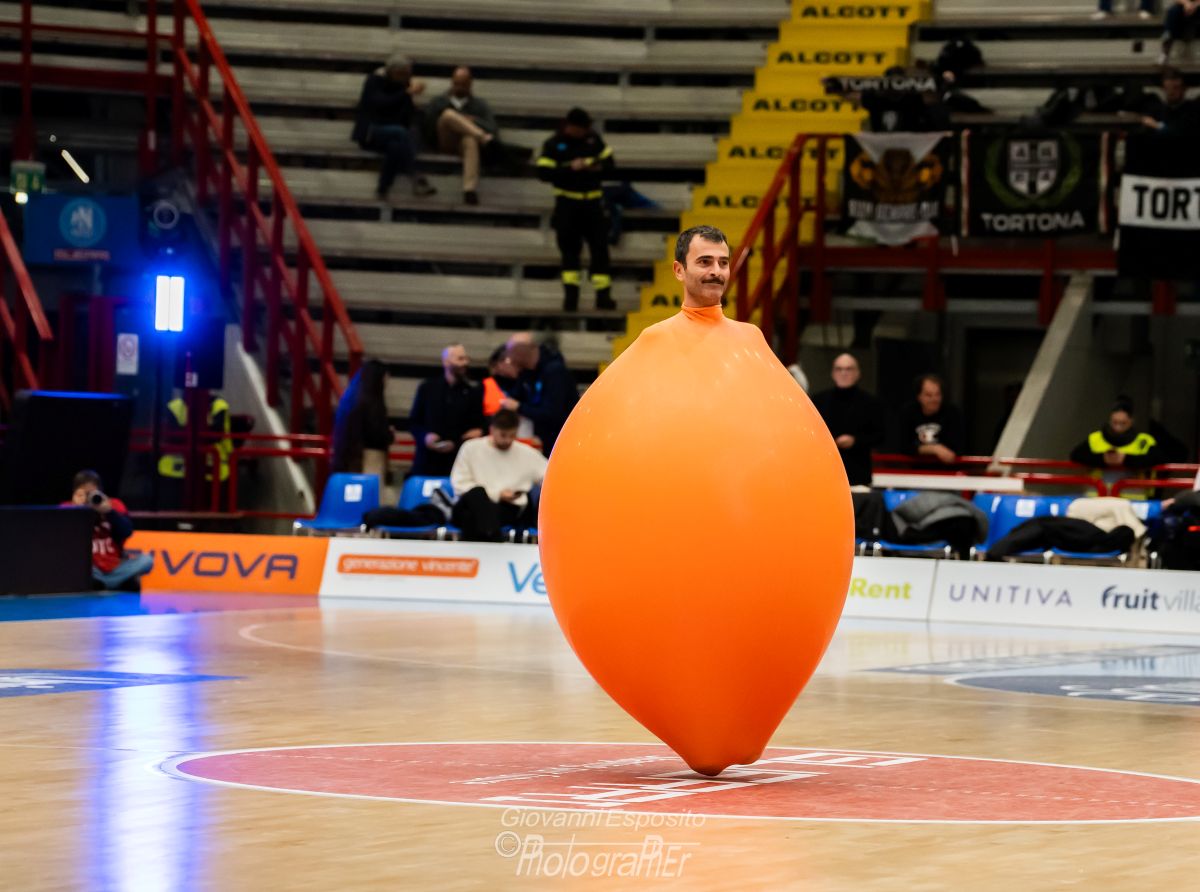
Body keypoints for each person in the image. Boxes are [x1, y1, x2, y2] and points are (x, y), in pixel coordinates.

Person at [536, 107, 616, 312]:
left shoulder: (593, 140)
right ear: (570, 126)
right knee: (569, 252)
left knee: (600, 250)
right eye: (580, 128)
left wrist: (593, 165)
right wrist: (570, 168)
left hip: (593, 204)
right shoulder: (554, 144)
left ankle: (603, 297)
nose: (584, 132)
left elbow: (610, 164)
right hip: (567, 204)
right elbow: (543, 172)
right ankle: (571, 298)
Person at [449, 409, 548, 541]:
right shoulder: (470, 448)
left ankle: (488, 540)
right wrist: (497, 494)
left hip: (505, 507)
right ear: (492, 430)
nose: (507, 440)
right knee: (477, 494)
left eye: (512, 435)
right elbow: (459, 484)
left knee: (470, 518)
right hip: (472, 503)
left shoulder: (527, 454)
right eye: (503, 435)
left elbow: (550, 479)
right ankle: (494, 538)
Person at [351, 52, 436, 200]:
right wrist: (406, 93)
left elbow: (405, 114)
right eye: (404, 74)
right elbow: (380, 103)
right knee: (400, 133)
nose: (407, 78)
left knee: (395, 147)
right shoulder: (374, 81)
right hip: (371, 131)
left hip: (391, 132)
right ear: (394, 72)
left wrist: (410, 99)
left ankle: (382, 188)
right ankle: (415, 176)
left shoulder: (403, 86)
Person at [63, 470, 154, 592]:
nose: (89, 498)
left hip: (115, 566)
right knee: (73, 567)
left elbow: (127, 532)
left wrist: (109, 512)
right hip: (89, 568)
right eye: (85, 493)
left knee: (147, 561)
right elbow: (64, 541)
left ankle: (105, 583)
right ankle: (115, 582)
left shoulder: (113, 505)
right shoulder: (67, 508)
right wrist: (78, 510)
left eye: (92, 493)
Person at [422, 66, 497, 205]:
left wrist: (473, 120)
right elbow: (427, 124)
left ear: (470, 84)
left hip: (463, 144)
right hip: (445, 139)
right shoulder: (439, 101)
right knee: (448, 115)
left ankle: (469, 190)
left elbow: (492, 128)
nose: (459, 88)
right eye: (457, 84)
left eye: (463, 84)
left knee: (470, 140)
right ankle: (482, 137)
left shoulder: (480, 105)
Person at [408, 343, 485, 477]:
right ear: (446, 362)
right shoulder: (428, 388)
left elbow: (477, 428)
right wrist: (425, 437)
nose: (465, 363)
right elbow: (414, 422)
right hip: (428, 460)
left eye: (466, 358)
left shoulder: (472, 392)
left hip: (458, 460)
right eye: (460, 359)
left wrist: (456, 443)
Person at [811, 353, 886, 487]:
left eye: (849, 369)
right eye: (839, 369)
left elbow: (880, 436)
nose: (844, 373)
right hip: (825, 474)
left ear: (858, 373)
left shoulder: (871, 403)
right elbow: (810, 434)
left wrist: (856, 441)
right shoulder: (818, 401)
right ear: (833, 373)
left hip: (859, 475)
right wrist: (830, 442)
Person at [501, 332, 578, 455]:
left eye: (511, 353)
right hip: (539, 439)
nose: (509, 358)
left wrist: (519, 407)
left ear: (522, 353)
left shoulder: (555, 372)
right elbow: (515, 397)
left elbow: (553, 413)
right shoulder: (527, 372)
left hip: (559, 442)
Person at [157, 390, 232, 509]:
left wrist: (187, 434)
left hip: (213, 466)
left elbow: (216, 434)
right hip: (178, 468)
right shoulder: (174, 407)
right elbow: (172, 436)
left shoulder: (219, 406)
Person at [330, 359, 394, 486]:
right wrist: (390, 434)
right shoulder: (373, 403)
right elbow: (376, 434)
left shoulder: (351, 399)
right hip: (369, 462)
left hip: (349, 461)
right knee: (370, 495)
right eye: (385, 378)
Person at [1069, 398, 1163, 475]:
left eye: (1123, 423)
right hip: (1099, 492)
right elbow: (1076, 455)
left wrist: (1126, 459)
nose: (1118, 427)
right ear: (1110, 420)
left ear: (1131, 421)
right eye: (1115, 422)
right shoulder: (1095, 438)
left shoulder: (1144, 441)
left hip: (1132, 492)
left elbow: (1159, 459)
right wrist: (1103, 459)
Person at [894, 373, 965, 464]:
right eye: (928, 395)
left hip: (945, 470)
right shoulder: (908, 413)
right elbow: (903, 447)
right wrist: (933, 449)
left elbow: (957, 448)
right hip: (916, 470)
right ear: (919, 397)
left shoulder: (952, 413)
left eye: (937, 394)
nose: (934, 399)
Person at [1139, 67, 1199, 133]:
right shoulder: (1160, 109)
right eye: (1167, 88)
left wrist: (1157, 126)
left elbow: (1180, 132)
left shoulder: (1192, 110)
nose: (1171, 92)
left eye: (1175, 88)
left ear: (1183, 89)